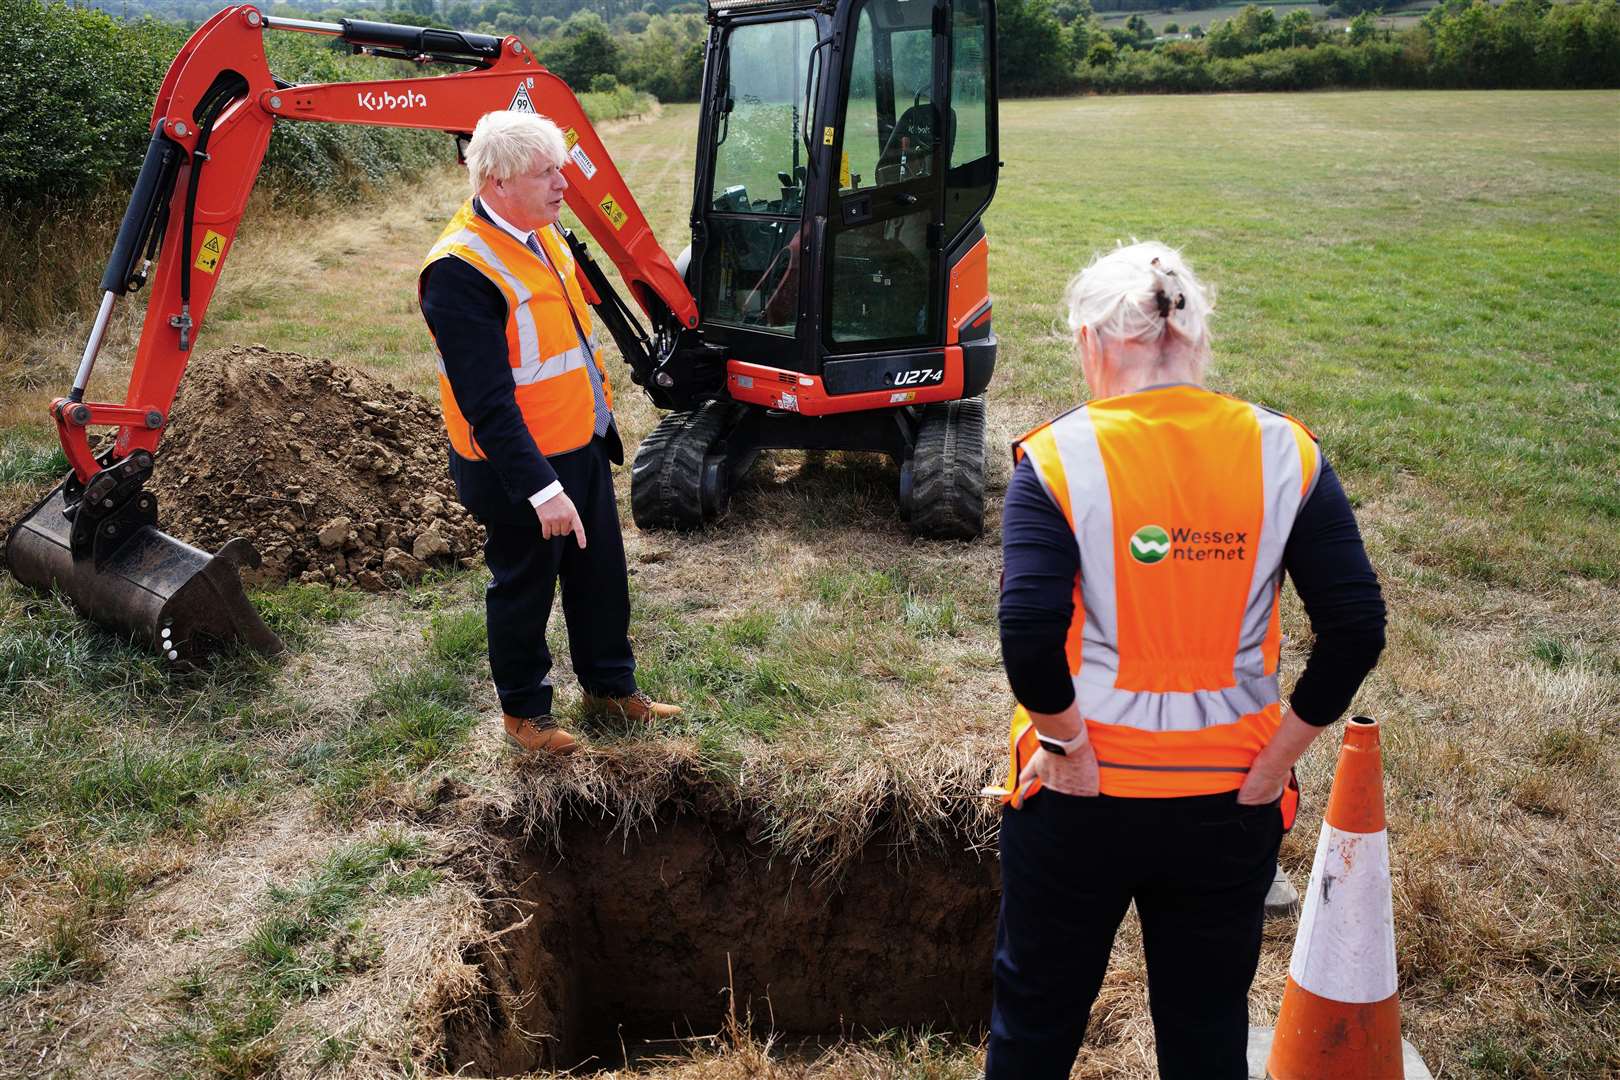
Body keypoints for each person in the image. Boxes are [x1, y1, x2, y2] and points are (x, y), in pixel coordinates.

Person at [987, 241, 1386, 1079]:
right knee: (1206, 1028)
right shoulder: (1288, 453)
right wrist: (1278, 762)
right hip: (1231, 801)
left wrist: (1068, 752)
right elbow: (1355, 628)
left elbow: (1027, 635)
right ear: (1198, 338)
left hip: (1076, 801)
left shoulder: (1058, 458)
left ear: (1094, 340)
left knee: (1035, 1022)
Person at [417, 110, 679, 755]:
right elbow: (487, 403)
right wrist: (540, 490)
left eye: (560, 168)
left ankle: (611, 689)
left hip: (579, 443)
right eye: (546, 173)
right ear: (498, 181)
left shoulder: (543, 232)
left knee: (599, 575)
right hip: (517, 467)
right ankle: (526, 717)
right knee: (524, 587)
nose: (563, 184)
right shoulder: (458, 271)